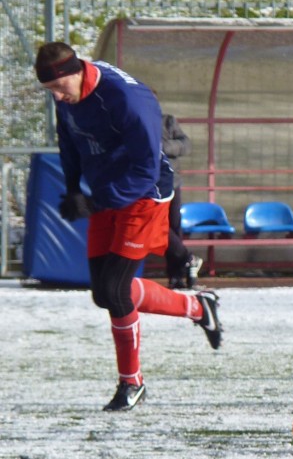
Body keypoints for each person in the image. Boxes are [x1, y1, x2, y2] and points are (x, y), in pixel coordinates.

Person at [34, 41, 223, 412]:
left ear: (76, 71)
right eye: (50, 91)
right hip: (106, 190)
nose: (57, 96)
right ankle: (198, 308)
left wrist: (93, 201)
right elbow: (68, 139)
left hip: (144, 193)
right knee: (103, 295)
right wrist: (74, 188)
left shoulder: (127, 99)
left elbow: (145, 170)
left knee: (116, 290)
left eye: (59, 87)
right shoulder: (66, 93)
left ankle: (132, 384)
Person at [156, 96, 203, 290]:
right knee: (157, 227)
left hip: (171, 182)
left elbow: (186, 144)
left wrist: (167, 147)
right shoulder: (132, 122)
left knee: (173, 227)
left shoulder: (168, 120)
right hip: (148, 186)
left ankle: (176, 276)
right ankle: (188, 258)